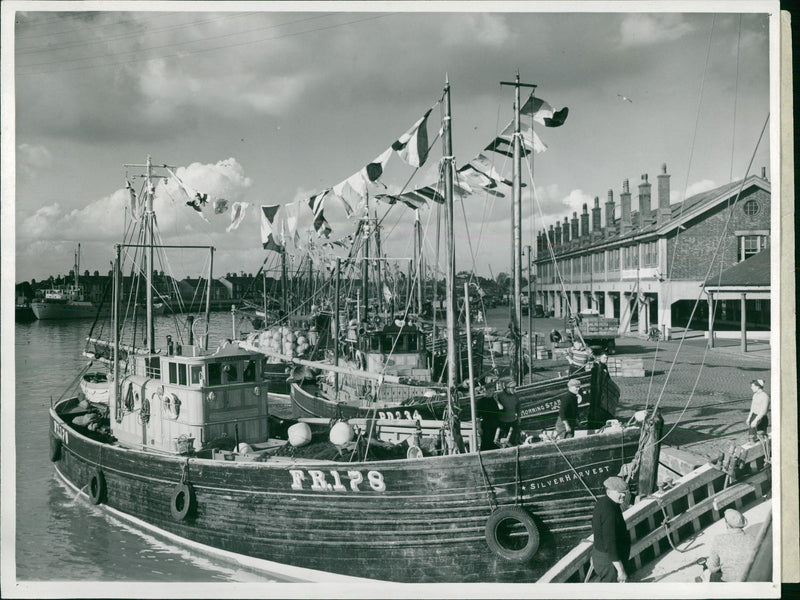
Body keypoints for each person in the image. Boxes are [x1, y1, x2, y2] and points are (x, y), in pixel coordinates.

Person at [591, 476, 631, 582]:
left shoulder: (605, 502)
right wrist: (621, 571)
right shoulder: (609, 512)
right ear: (609, 492)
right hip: (609, 561)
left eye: (625, 492)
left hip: (604, 557)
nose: (623, 495)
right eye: (619, 492)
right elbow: (610, 543)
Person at [704, 509, 757, 582]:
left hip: (729, 584)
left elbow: (713, 568)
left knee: (708, 575)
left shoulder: (719, 539)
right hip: (750, 580)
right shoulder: (752, 538)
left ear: (727, 523)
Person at [493, 380, 521, 446]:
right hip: (502, 422)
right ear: (507, 388)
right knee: (500, 440)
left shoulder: (516, 396)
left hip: (512, 421)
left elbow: (518, 407)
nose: (514, 389)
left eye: (515, 388)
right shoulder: (499, 396)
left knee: (512, 440)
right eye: (513, 388)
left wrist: (519, 417)